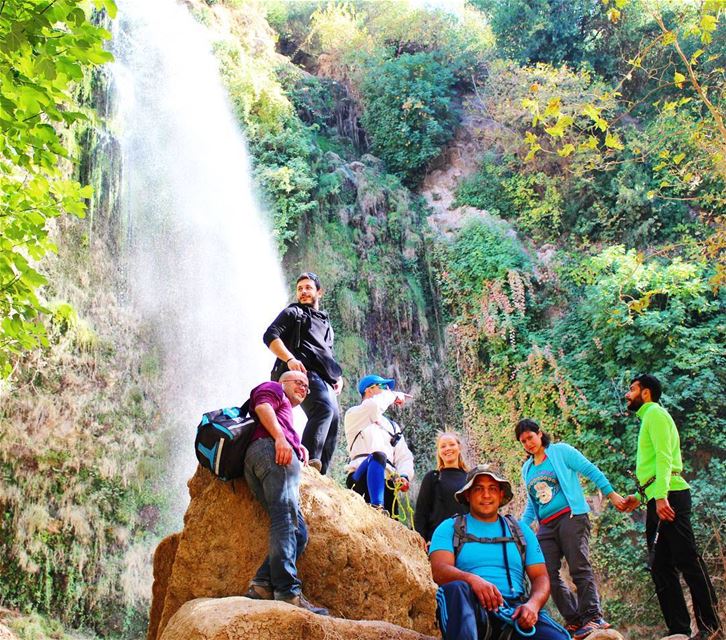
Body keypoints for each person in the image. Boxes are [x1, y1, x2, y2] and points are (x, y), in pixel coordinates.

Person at [623, 374, 720, 640]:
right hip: (658, 498)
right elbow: (654, 469)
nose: (627, 395)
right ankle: (678, 630)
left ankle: (711, 628)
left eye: (632, 390)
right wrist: (640, 497)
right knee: (660, 566)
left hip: (670, 498)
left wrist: (662, 497)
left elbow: (666, 458)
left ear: (646, 393)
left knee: (688, 561)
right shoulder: (648, 418)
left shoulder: (655, 413)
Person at [515, 419, 627, 639]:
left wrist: (612, 495)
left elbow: (590, 470)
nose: (528, 443)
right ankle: (574, 620)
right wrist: (516, 528)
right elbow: (532, 504)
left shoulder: (561, 452)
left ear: (540, 433)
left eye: (530, 437)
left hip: (571, 517)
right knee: (545, 573)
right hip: (546, 526)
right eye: (523, 441)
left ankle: (593, 617)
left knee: (578, 566)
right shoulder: (527, 469)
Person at [430, 464, 569, 640]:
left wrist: (533, 606)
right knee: (456, 589)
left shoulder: (521, 531)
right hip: (469, 608)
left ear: (501, 494)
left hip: (514, 612)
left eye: (492, 488)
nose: (486, 495)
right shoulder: (449, 528)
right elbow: (438, 570)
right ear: (468, 494)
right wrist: (472, 580)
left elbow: (541, 577)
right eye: (478, 489)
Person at [242, 370, 328, 615]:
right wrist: (281, 439)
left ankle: (262, 585)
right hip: (271, 455)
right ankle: (288, 592)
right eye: (299, 383)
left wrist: (296, 445)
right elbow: (263, 406)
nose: (304, 388)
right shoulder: (273, 387)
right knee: (286, 522)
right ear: (283, 382)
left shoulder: (286, 413)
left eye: (307, 387)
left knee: (297, 531)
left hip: (265, 460)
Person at [263, 272, 343, 475]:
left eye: (308, 287)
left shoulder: (325, 324)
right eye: (300, 289)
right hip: (302, 373)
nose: (303, 292)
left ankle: (320, 475)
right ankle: (305, 464)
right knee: (323, 409)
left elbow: (326, 354)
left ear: (319, 292)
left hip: (324, 378)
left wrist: (337, 377)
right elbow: (270, 335)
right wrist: (290, 359)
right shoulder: (294, 313)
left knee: (333, 420)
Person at [344, 374, 414, 516]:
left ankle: (381, 506)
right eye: (384, 387)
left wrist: (404, 476)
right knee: (378, 456)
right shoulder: (354, 414)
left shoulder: (392, 426)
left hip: (387, 483)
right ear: (369, 390)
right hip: (360, 477)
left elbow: (404, 456)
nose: (387, 390)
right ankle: (377, 506)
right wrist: (393, 395)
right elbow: (373, 406)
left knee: (390, 528)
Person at [414, 431, 469, 544]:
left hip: (467, 540)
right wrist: (421, 538)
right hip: (438, 541)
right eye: (443, 446)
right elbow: (421, 512)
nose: (447, 448)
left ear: (459, 447)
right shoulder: (433, 477)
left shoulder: (470, 478)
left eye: (452, 444)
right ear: (439, 452)